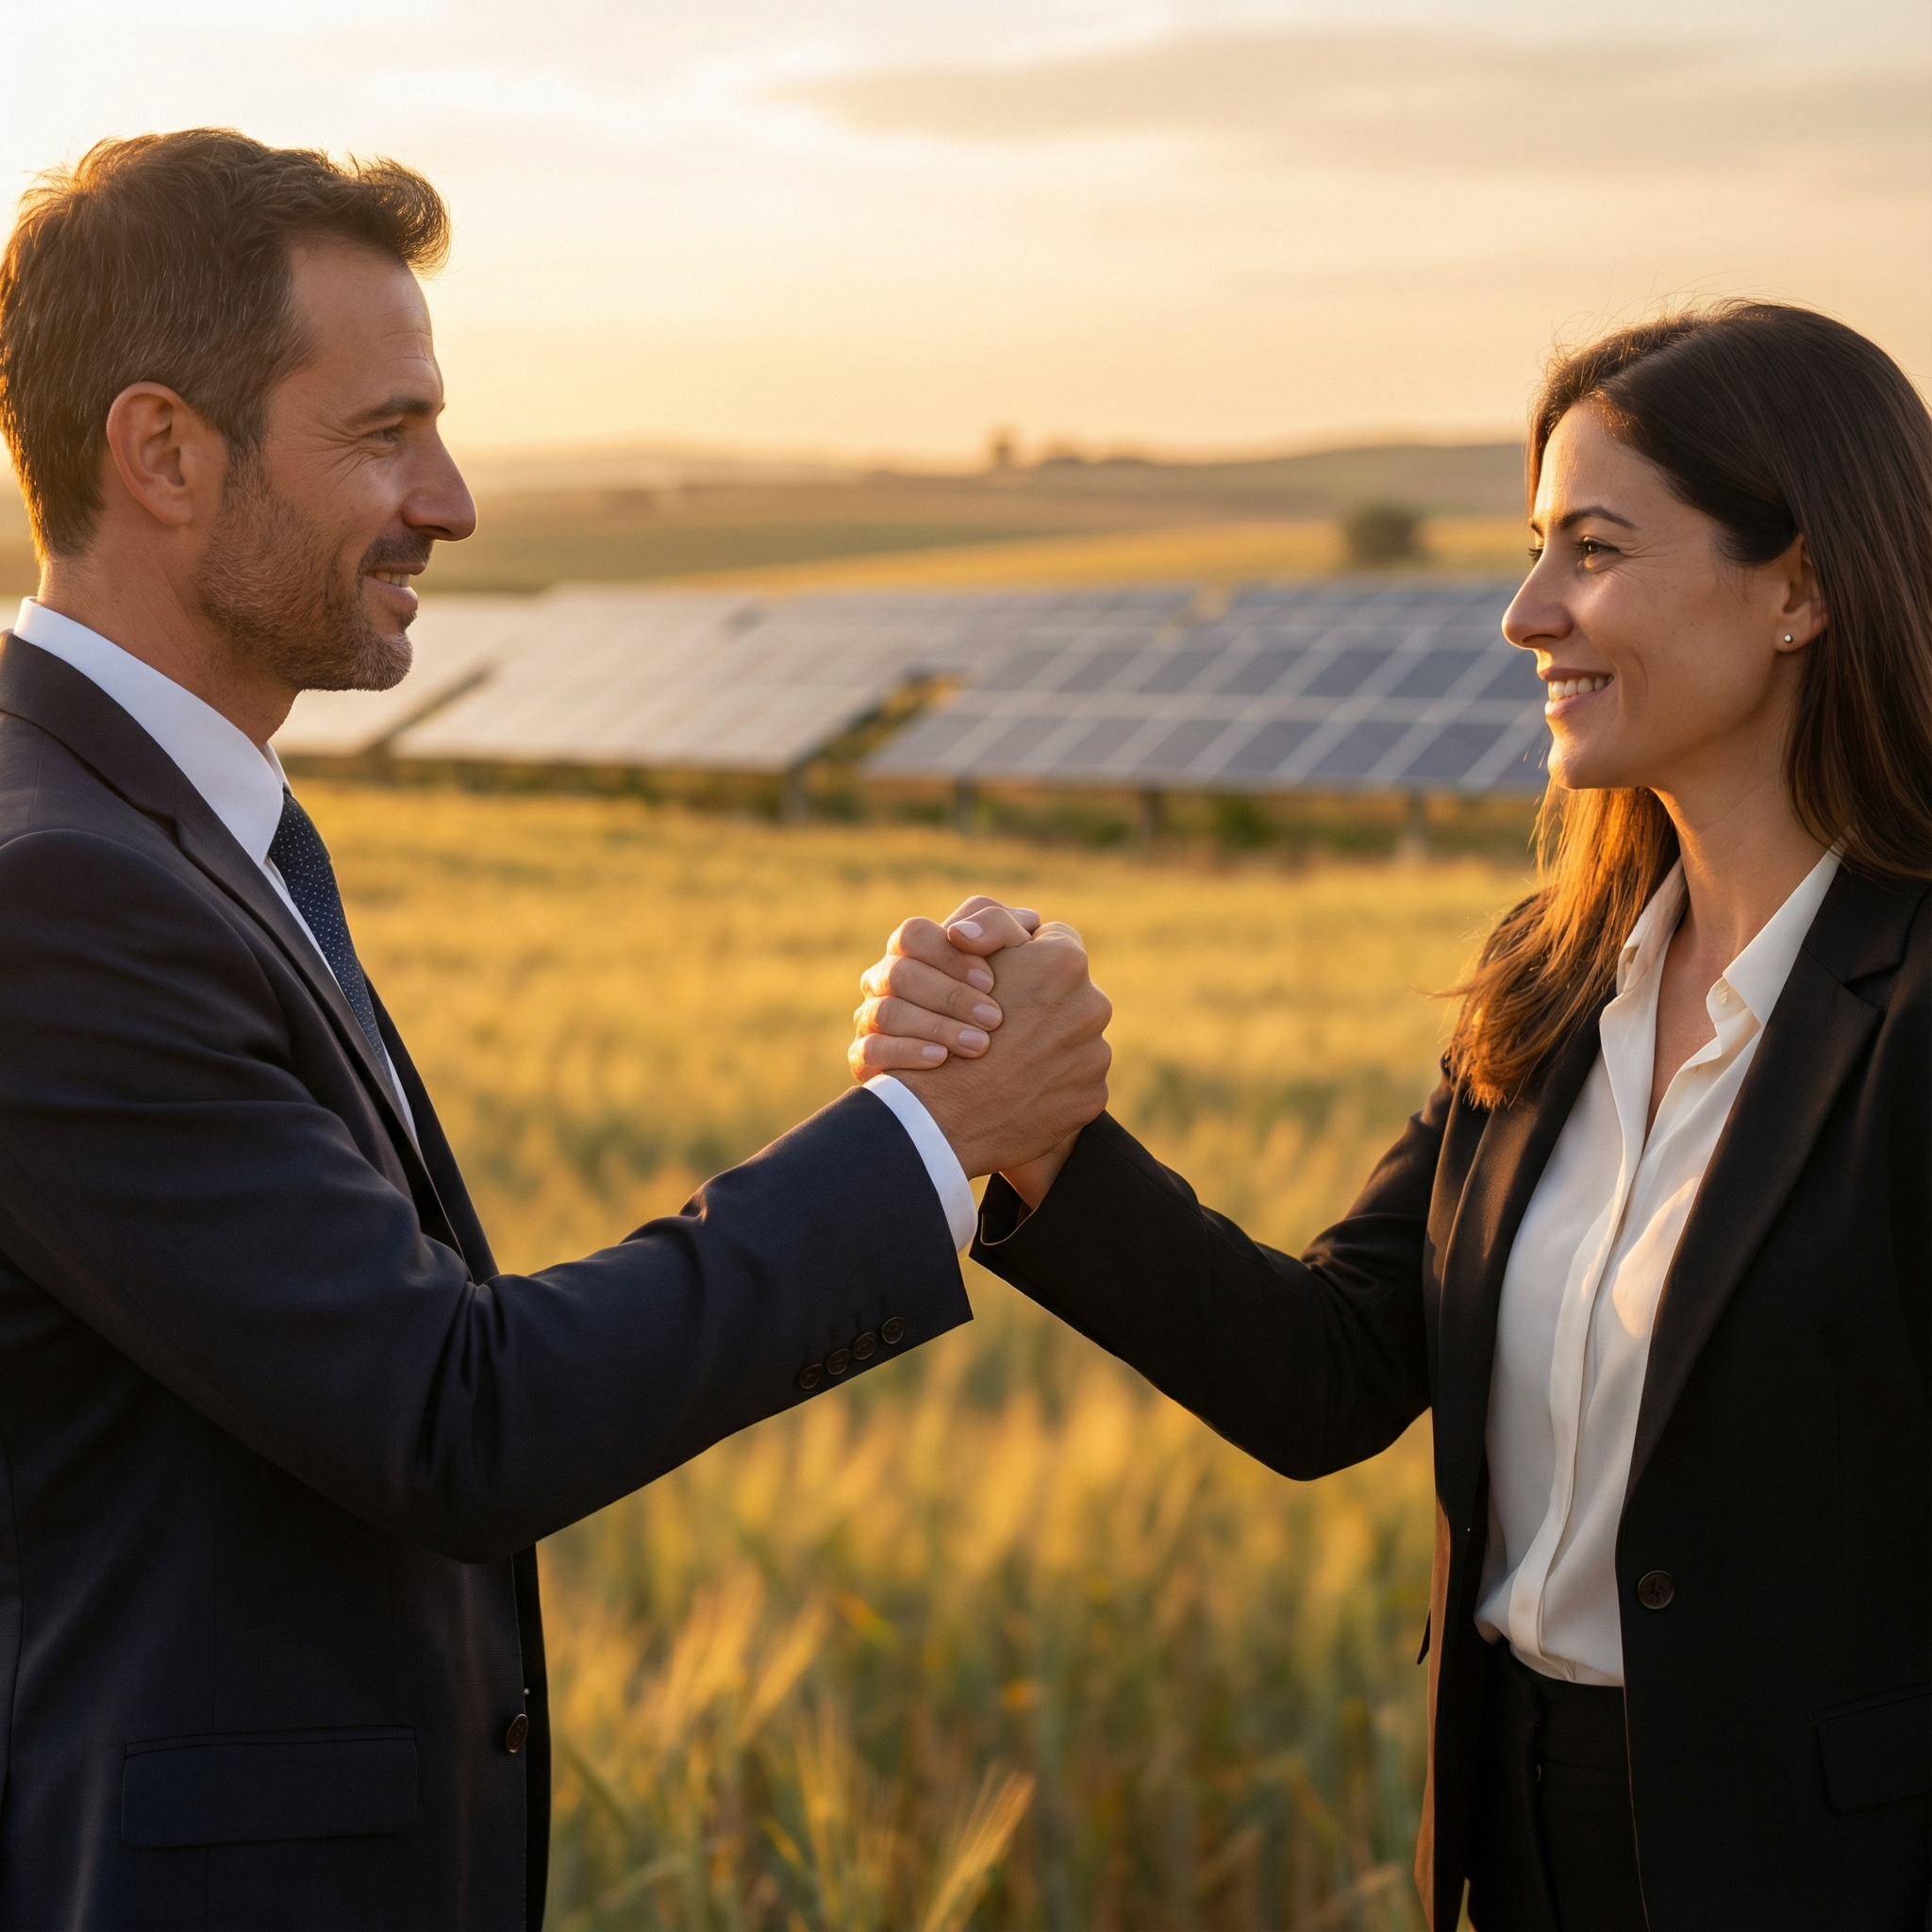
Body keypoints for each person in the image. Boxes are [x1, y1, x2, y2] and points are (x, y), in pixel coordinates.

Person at [0, 130, 1110, 1931]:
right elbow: (453, 1414)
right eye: (383, 432)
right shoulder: (60, 892)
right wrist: (935, 1136)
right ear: (163, 453)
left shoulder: (179, 828)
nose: (448, 499)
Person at [855, 304, 1932, 1930]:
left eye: (1594, 549)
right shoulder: (1555, 980)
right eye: (1531, 547)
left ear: (1800, 588)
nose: (1525, 614)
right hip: (1518, 1846)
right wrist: (1040, 1139)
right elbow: (1327, 1375)